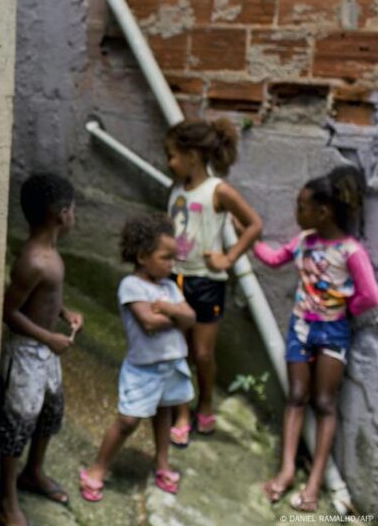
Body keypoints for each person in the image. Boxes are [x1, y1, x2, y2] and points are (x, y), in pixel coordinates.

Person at [256, 166, 378, 512]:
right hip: (299, 328)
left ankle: (314, 484)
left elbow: (370, 294)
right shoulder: (303, 241)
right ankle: (286, 470)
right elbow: (275, 258)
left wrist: (344, 308)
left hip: (332, 332)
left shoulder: (349, 250)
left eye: (302, 206)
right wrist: (250, 240)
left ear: (323, 211)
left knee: (324, 403)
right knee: (296, 396)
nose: (297, 213)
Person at [79, 214, 196, 502]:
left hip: (171, 364)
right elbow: (148, 322)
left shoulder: (168, 288)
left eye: (173, 258)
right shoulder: (131, 286)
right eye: (166, 257)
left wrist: (168, 310)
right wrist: (175, 314)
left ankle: (162, 464)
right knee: (128, 420)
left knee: (164, 413)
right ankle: (97, 469)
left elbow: (191, 318)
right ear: (143, 256)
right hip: (143, 369)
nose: (172, 264)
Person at [163, 119, 262, 446]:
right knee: (178, 351)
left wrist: (229, 258)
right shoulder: (176, 188)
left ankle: (205, 403)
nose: (169, 162)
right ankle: (181, 412)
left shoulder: (218, 190)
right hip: (176, 279)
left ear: (192, 155)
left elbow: (254, 224)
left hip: (207, 282)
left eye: (173, 155)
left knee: (202, 354)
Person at [0, 172, 83, 525]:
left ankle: (34, 472)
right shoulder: (33, 261)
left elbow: (44, 298)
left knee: (49, 413)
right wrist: (49, 338)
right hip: (28, 354)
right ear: (61, 214)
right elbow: (8, 311)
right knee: (18, 426)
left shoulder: (50, 253)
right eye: (73, 210)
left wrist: (64, 312)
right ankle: (7, 501)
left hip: (46, 355)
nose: (75, 217)